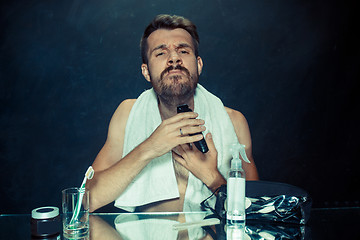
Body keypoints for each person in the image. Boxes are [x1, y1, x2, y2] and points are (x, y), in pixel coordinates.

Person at [87, 14, 259, 213]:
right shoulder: (128, 114)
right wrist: (149, 148)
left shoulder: (234, 122)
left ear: (199, 64)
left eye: (183, 51)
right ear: (146, 72)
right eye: (160, 53)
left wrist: (211, 177)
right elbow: (86, 201)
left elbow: (256, 213)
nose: (174, 58)